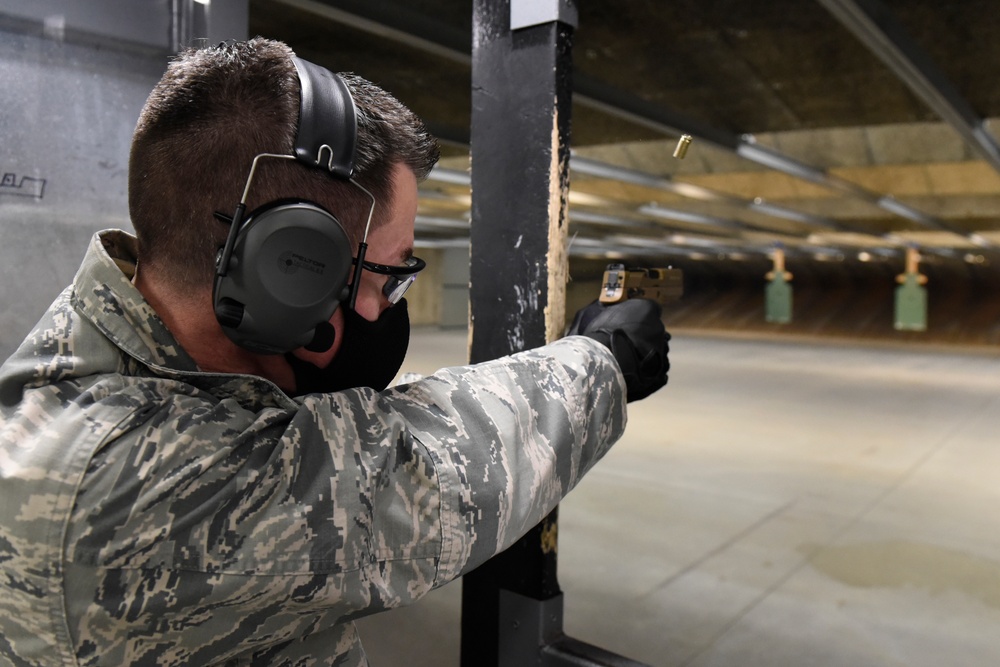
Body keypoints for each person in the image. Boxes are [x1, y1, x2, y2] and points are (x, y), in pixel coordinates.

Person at [0, 38, 670, 666]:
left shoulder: (66, 371)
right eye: (393, 273)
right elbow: (431, 473)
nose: (393, 304)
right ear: (292, 270)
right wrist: (605, 354)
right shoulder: (147, 490)